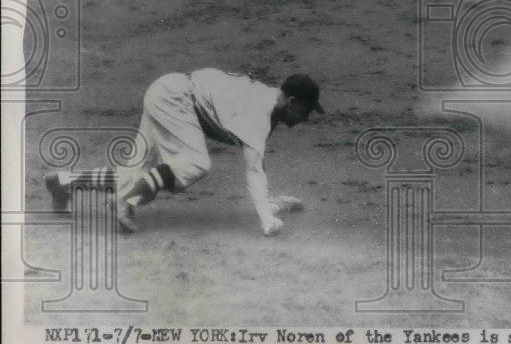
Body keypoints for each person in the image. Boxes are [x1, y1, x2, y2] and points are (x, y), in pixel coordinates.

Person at [43, 69, 324, 236]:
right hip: (175, 98)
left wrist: (271, 204)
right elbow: (253, 170)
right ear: (293, 101)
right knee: (195, 163)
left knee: (136, 174)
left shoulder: (266, 101)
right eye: (306, 110)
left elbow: (255, 168)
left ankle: (63, 181)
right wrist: (267, 218)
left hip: (168, 90)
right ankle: (126, 200)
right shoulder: (259, 114)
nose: (306, 118)